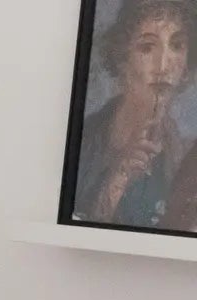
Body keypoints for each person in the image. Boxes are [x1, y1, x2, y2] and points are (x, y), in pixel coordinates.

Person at [73, 0, 196, 227]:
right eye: (147, 47)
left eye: (177, 46)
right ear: (122, 58)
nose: (163, 65)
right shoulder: (87, 138)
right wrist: (118, 178)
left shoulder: (187, 152)